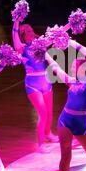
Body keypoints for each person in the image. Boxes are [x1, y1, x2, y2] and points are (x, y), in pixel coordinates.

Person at [12, 21, 58, 152]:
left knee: (49, 112)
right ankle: (40, 145)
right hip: (33, 84)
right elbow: (14, 36)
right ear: (22, 36)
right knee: (43, 114)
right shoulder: (21, 48)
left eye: (31, 30)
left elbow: (56, 35)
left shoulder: (40, 45)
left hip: (46, 80)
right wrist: (16, 20)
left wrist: (70, 24)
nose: (31, 33)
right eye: (27, 31)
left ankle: (48, 133)